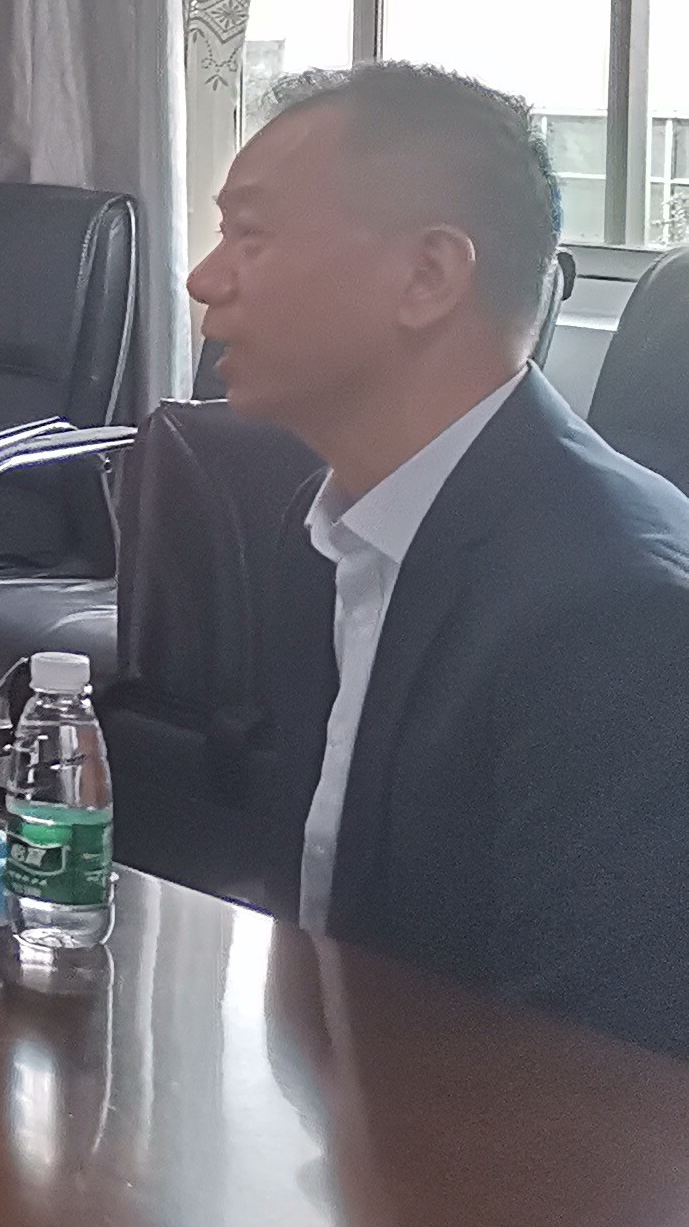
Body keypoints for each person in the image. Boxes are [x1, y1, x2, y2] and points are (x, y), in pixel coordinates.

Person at [187, 60, 689, 1060]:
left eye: (252, 234)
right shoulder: (328, 529)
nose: (206, 278)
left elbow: (589, 1080)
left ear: (427, 277)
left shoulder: (615, 608)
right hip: (338, 1113)